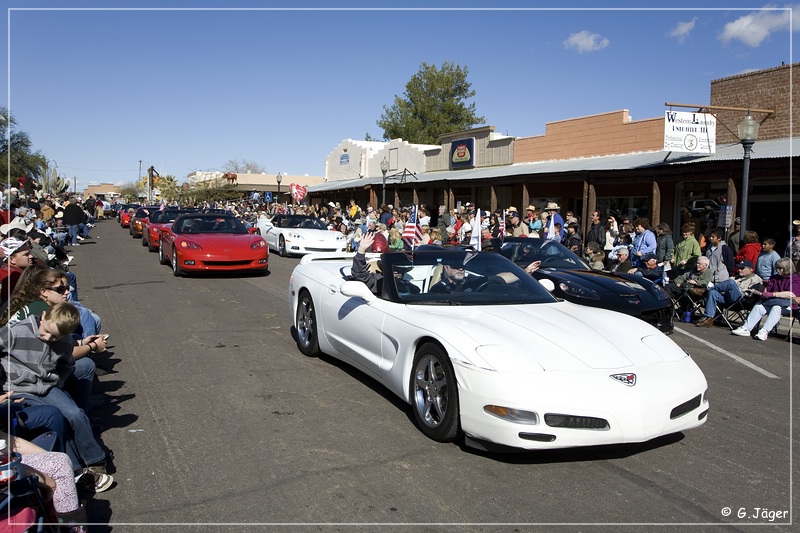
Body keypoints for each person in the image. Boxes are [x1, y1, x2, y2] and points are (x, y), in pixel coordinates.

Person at [0, 302, 113, 492]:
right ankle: (76, 471)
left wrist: (57, 383)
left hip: (46, 386)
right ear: (43, 316)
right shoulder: (15, 332)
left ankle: (95, 460)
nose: (48, 338)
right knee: (56, 416)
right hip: (18, 388)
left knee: (75, 413)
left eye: (55, 337)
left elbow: (66, 366)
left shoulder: (65, 341)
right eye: (46, 332)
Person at [732, 258, 800, 340]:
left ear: (787, 268)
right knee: (759, 306)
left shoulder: (795, 279)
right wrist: (764, 286)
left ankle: (764, 331)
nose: (778, 270)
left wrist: (773, 294)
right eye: (777, 268)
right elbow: (765, 292)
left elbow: (791, 294)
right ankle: (746, 328)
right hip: (772, 302)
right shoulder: (774, 277)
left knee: (776, 308)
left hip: (789, 305)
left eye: (780, 268)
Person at [695, 259, 763, 327]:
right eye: (739, 268)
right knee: (713, 293)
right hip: (728, 299)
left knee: (730, 283)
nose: (739, 270)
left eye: (742, 268)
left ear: (751, 269)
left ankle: (706, 290)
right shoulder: (736, 277)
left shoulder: (756, 279)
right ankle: (708, 319)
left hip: (742, 301)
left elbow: (753, 294)